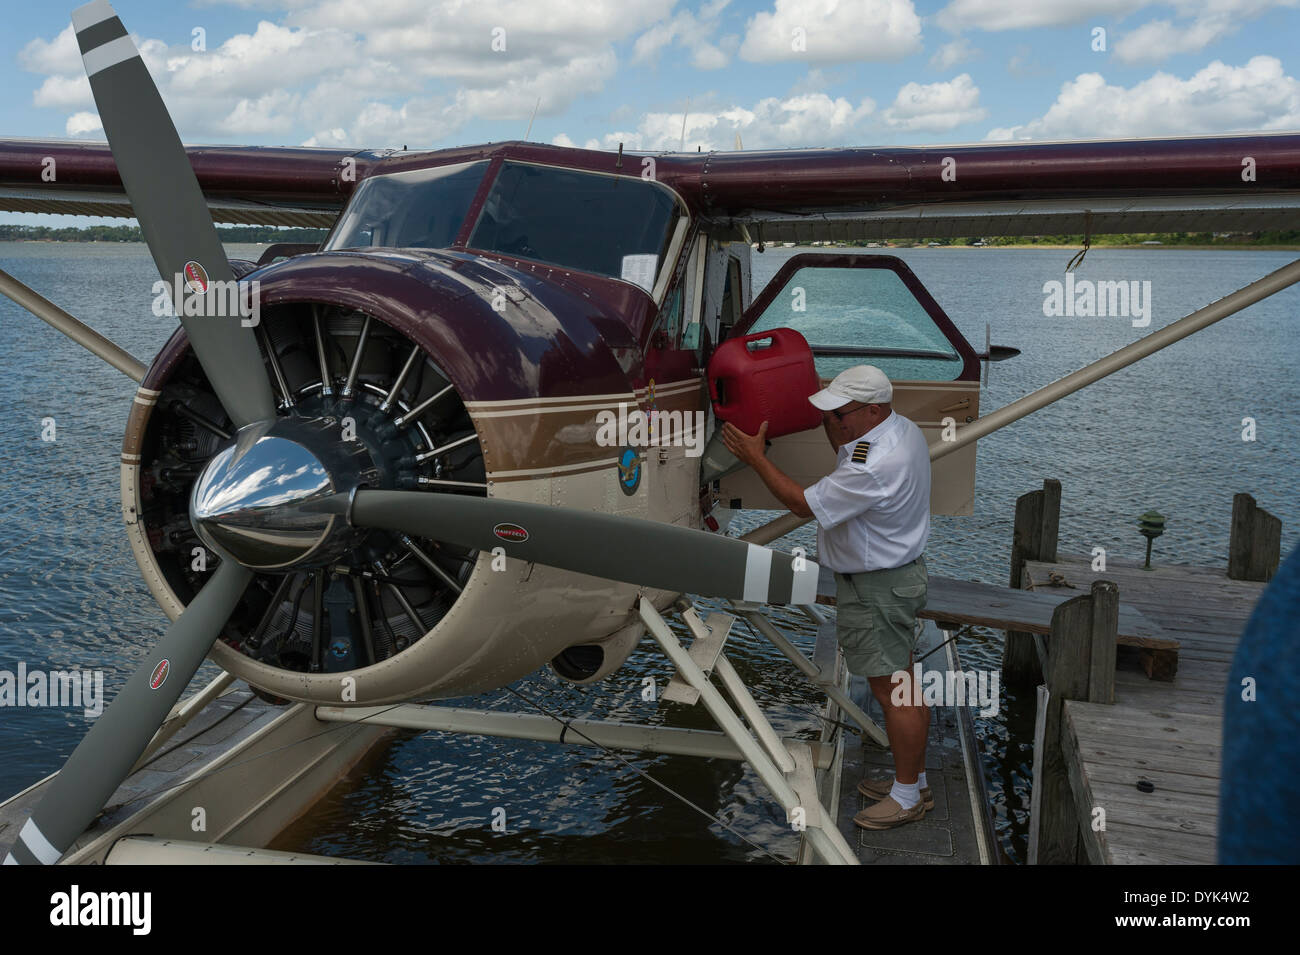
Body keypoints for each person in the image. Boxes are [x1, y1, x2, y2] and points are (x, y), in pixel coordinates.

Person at [721, 364, 933, 830]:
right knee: (904, 684)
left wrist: (756, 457)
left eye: (839, 414)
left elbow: (802, 503)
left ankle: (907, 797)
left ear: (873, 410)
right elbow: (845, 449)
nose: (832, 423)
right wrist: (834, 421)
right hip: (893, 578)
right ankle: (912, 783)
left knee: (893, 691)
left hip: (878, 587)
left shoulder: (875, 463)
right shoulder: (900, 431)